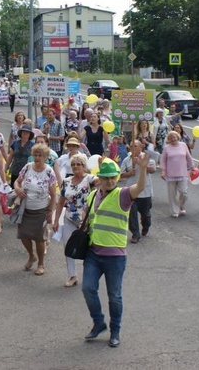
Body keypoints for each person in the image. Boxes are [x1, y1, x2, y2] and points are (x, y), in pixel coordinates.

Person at [82, 153, 150, 348]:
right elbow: (89, 218)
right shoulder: (93, 195)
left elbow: (140, 187)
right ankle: (98, 323)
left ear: (118, 177)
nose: (110, 181)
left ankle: (115, 330)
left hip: (115, 257)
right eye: (106, 177)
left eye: (113, 177)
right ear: (100, 179)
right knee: (87, 289)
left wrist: (143, 170)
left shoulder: (123, 195)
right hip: (93, 252)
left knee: (114, 295)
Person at [13, 143, 57, 276]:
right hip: (25, 208)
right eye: (35, 155)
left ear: (45, 157)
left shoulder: (49, 171)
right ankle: (32, 255)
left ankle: (41, 264)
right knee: (23, 235)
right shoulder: (27, 167)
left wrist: (50, 212)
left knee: (39, 238)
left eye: (40, 155)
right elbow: (17, 181)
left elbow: (54, 195)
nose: (37, 158)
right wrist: (17, 189)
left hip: (41, 209)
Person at [53, 153, 96, 287]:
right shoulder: (66, 181)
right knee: (69, 247)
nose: (76, 166)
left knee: (89, 249)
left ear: (84, 166)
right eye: (73, 164)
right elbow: (60, 202)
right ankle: (72, 276)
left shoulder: (90, 179)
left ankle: (90, 276)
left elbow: (105, 182)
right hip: (69, 219)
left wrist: (102, 162)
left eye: (79, 164)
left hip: (86, 221)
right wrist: (56, 221)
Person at [120, 140, 157, 242]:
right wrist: (129, 173)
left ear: (140, 147)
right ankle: (135, 234)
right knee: (131, 214)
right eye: (131, 146)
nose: (133, 148)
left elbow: (153, 170)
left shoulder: (146, 158)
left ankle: (146, 226)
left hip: (145, 192)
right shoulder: (127, 160)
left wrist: (143, 165)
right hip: (131, 191)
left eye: (135, 146)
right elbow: (120, 175)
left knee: (145, 214)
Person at [161, 131, 195, 218]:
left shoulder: (183, 145)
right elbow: (163, 160)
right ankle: (174, 211)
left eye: (174, 137)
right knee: (172, 194)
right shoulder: (166, 148)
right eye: (170, 138)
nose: (173, 139)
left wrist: (192, 167)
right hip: (170, 173)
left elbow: (188, 157)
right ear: (168, 140)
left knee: (184, 192)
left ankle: (181, 205)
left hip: (182, 172)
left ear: (177, 137)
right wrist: (163, 171)